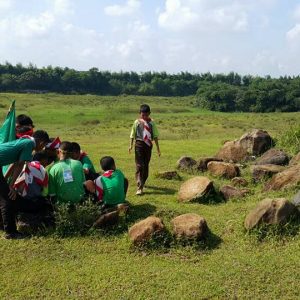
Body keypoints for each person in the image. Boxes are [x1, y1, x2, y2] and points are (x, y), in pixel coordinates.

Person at [0, 130, 50, 239]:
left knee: (4, 195)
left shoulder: (25, 141)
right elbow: (19, 164)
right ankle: (10, 232)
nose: (43, 148)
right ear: (41, 142)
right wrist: (12, 186)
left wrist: (5, 180)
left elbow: (14, 163)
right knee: (7, 198)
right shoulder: (29, 144)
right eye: (44, 145)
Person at [13, 151, 54, 230]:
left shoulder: (24, 165)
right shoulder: (42, 169)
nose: (47, 164)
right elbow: (45, 192)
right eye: (46, 162)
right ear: (43, 160)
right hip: (33, 203)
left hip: (19, 201)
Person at [129, 104, 161, 195]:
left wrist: (158, 149)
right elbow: (132, 134)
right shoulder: (137, 122)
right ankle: (140, 186)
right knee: (140, 165)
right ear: (140, 113)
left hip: (148, 146)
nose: (145, 117)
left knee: (145, 165)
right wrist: (130, 145)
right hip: (138, 144)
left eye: (146, 115)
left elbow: (155, 136)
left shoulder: (152, 123)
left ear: (149, 113)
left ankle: (142, 180)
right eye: (143, 115)